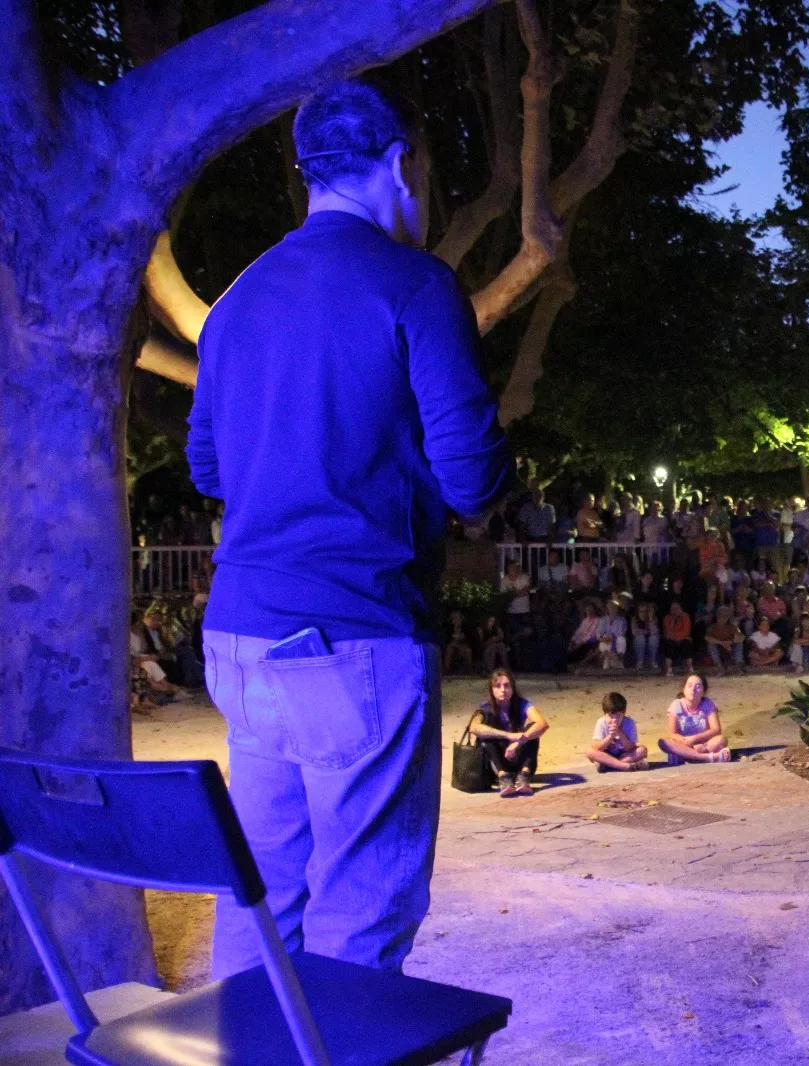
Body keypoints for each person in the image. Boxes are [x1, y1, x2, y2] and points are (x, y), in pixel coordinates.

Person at [186, 79, 512, 979]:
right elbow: (474, 479)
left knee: (263, 903)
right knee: (361, 914)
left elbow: (208, 469)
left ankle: (253, 1039)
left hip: (240, 637)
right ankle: (347, 1041)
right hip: (355, 631)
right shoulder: (416, 286)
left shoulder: (237, 300)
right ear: (401, 165)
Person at [469, 670, 549, 797]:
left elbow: (542, 724)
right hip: (496, 763)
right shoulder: (485, 708)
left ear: (512, 688)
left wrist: (518, 742)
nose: (503, 690)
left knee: (532, 729)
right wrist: (508, 735)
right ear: (492, 690)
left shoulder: (522, 704)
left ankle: (523, 776)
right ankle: (503, 777)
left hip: (518, 758)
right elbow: (474, 727)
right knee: (486, 734)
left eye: (507, 685)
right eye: (498, 686)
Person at [658, 675, 732, 765]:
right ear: (684, 689)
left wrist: (696, 739)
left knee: (721, 739)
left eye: (698, 686)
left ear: (703, 691)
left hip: (704, 744)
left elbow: (716, 730)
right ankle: (710, 757)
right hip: (684, 744)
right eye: (689, 686)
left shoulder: (708, 704)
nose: (693, 689)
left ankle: (687, 756)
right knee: (664, 742)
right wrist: (689, 743)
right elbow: (672, 734)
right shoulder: (676, 705)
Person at [587, 691, 649, 771]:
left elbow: (631, 749)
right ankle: (626, 766)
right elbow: (598, 748)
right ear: (605, 714)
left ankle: (609, 765)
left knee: (642, 750)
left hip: (625, 755)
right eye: (610, 716)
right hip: (606, 755)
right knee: (589, 751)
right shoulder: (601, 722)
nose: (614, 720)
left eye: (618, 716)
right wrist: (611, 736)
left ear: (624, 713)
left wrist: (619, 732)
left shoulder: (629, 722)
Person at [705, 605, 744, 674]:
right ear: (717, 616)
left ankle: (738, 666)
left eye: (725, 616)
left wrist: (730, 642)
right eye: (721, 615)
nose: (723, 618)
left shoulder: (733, 626)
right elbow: (707, 638)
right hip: (719, 649)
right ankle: (719, 667)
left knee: (739, 643)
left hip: (730, 649)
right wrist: (722, 643)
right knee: (710, 645)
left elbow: (741, 637)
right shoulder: (712, 627)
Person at [661, 600, 694, 676]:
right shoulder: (667, 618)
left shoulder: (685, 616)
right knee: (668, 644)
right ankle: (669, 669)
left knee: (687, 644)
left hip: (682, 640)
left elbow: (686, 632)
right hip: (672, 641)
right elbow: (667, 633)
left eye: (677, 608)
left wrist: (676, 636)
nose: (675, 610)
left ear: (681, 609)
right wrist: (672, 624)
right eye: (673, 608)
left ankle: (690, 668)